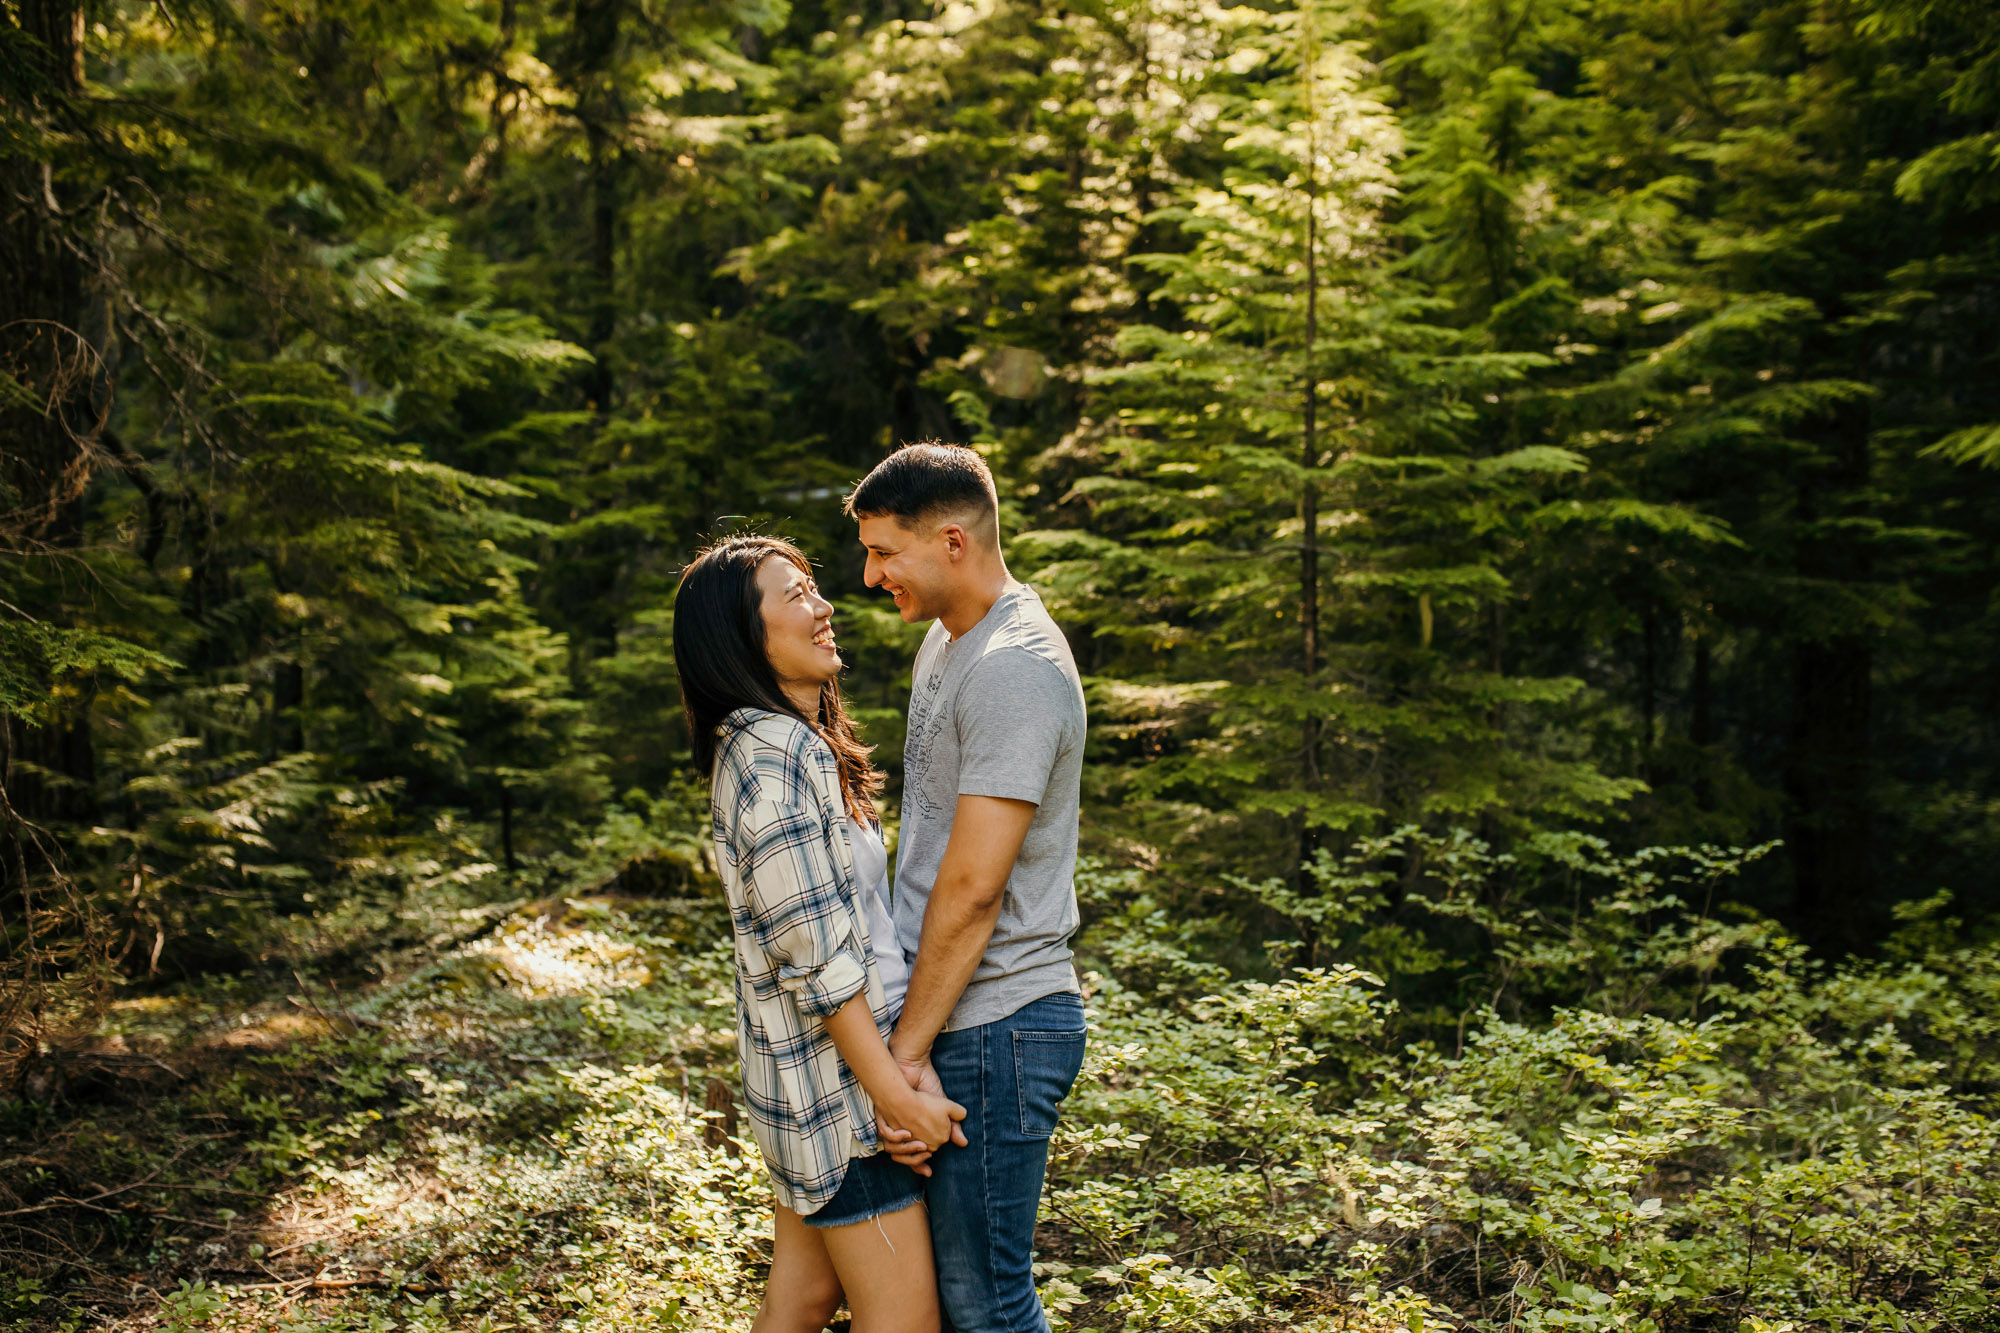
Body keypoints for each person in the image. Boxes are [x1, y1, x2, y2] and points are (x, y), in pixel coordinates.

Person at [673, 534, 967, 1333]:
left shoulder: (789, 747)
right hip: (838, 1105)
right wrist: (896, 1098)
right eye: (795, 593)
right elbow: (824, 967)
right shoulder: (770, 762)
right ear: (742, 635)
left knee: (800, 1300)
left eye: (814, 586)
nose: (826, 605)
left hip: (814, 1090)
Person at [847, 443, 1091, 1333]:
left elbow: (974, 888)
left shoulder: (1015, 666)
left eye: (885, 552)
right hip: (955, 1016)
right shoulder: (949, 642)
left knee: (986, 1304)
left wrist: (901, 1062)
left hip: (998, 1025)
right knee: (949, 1306)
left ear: (952, 540)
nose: (871, 576)